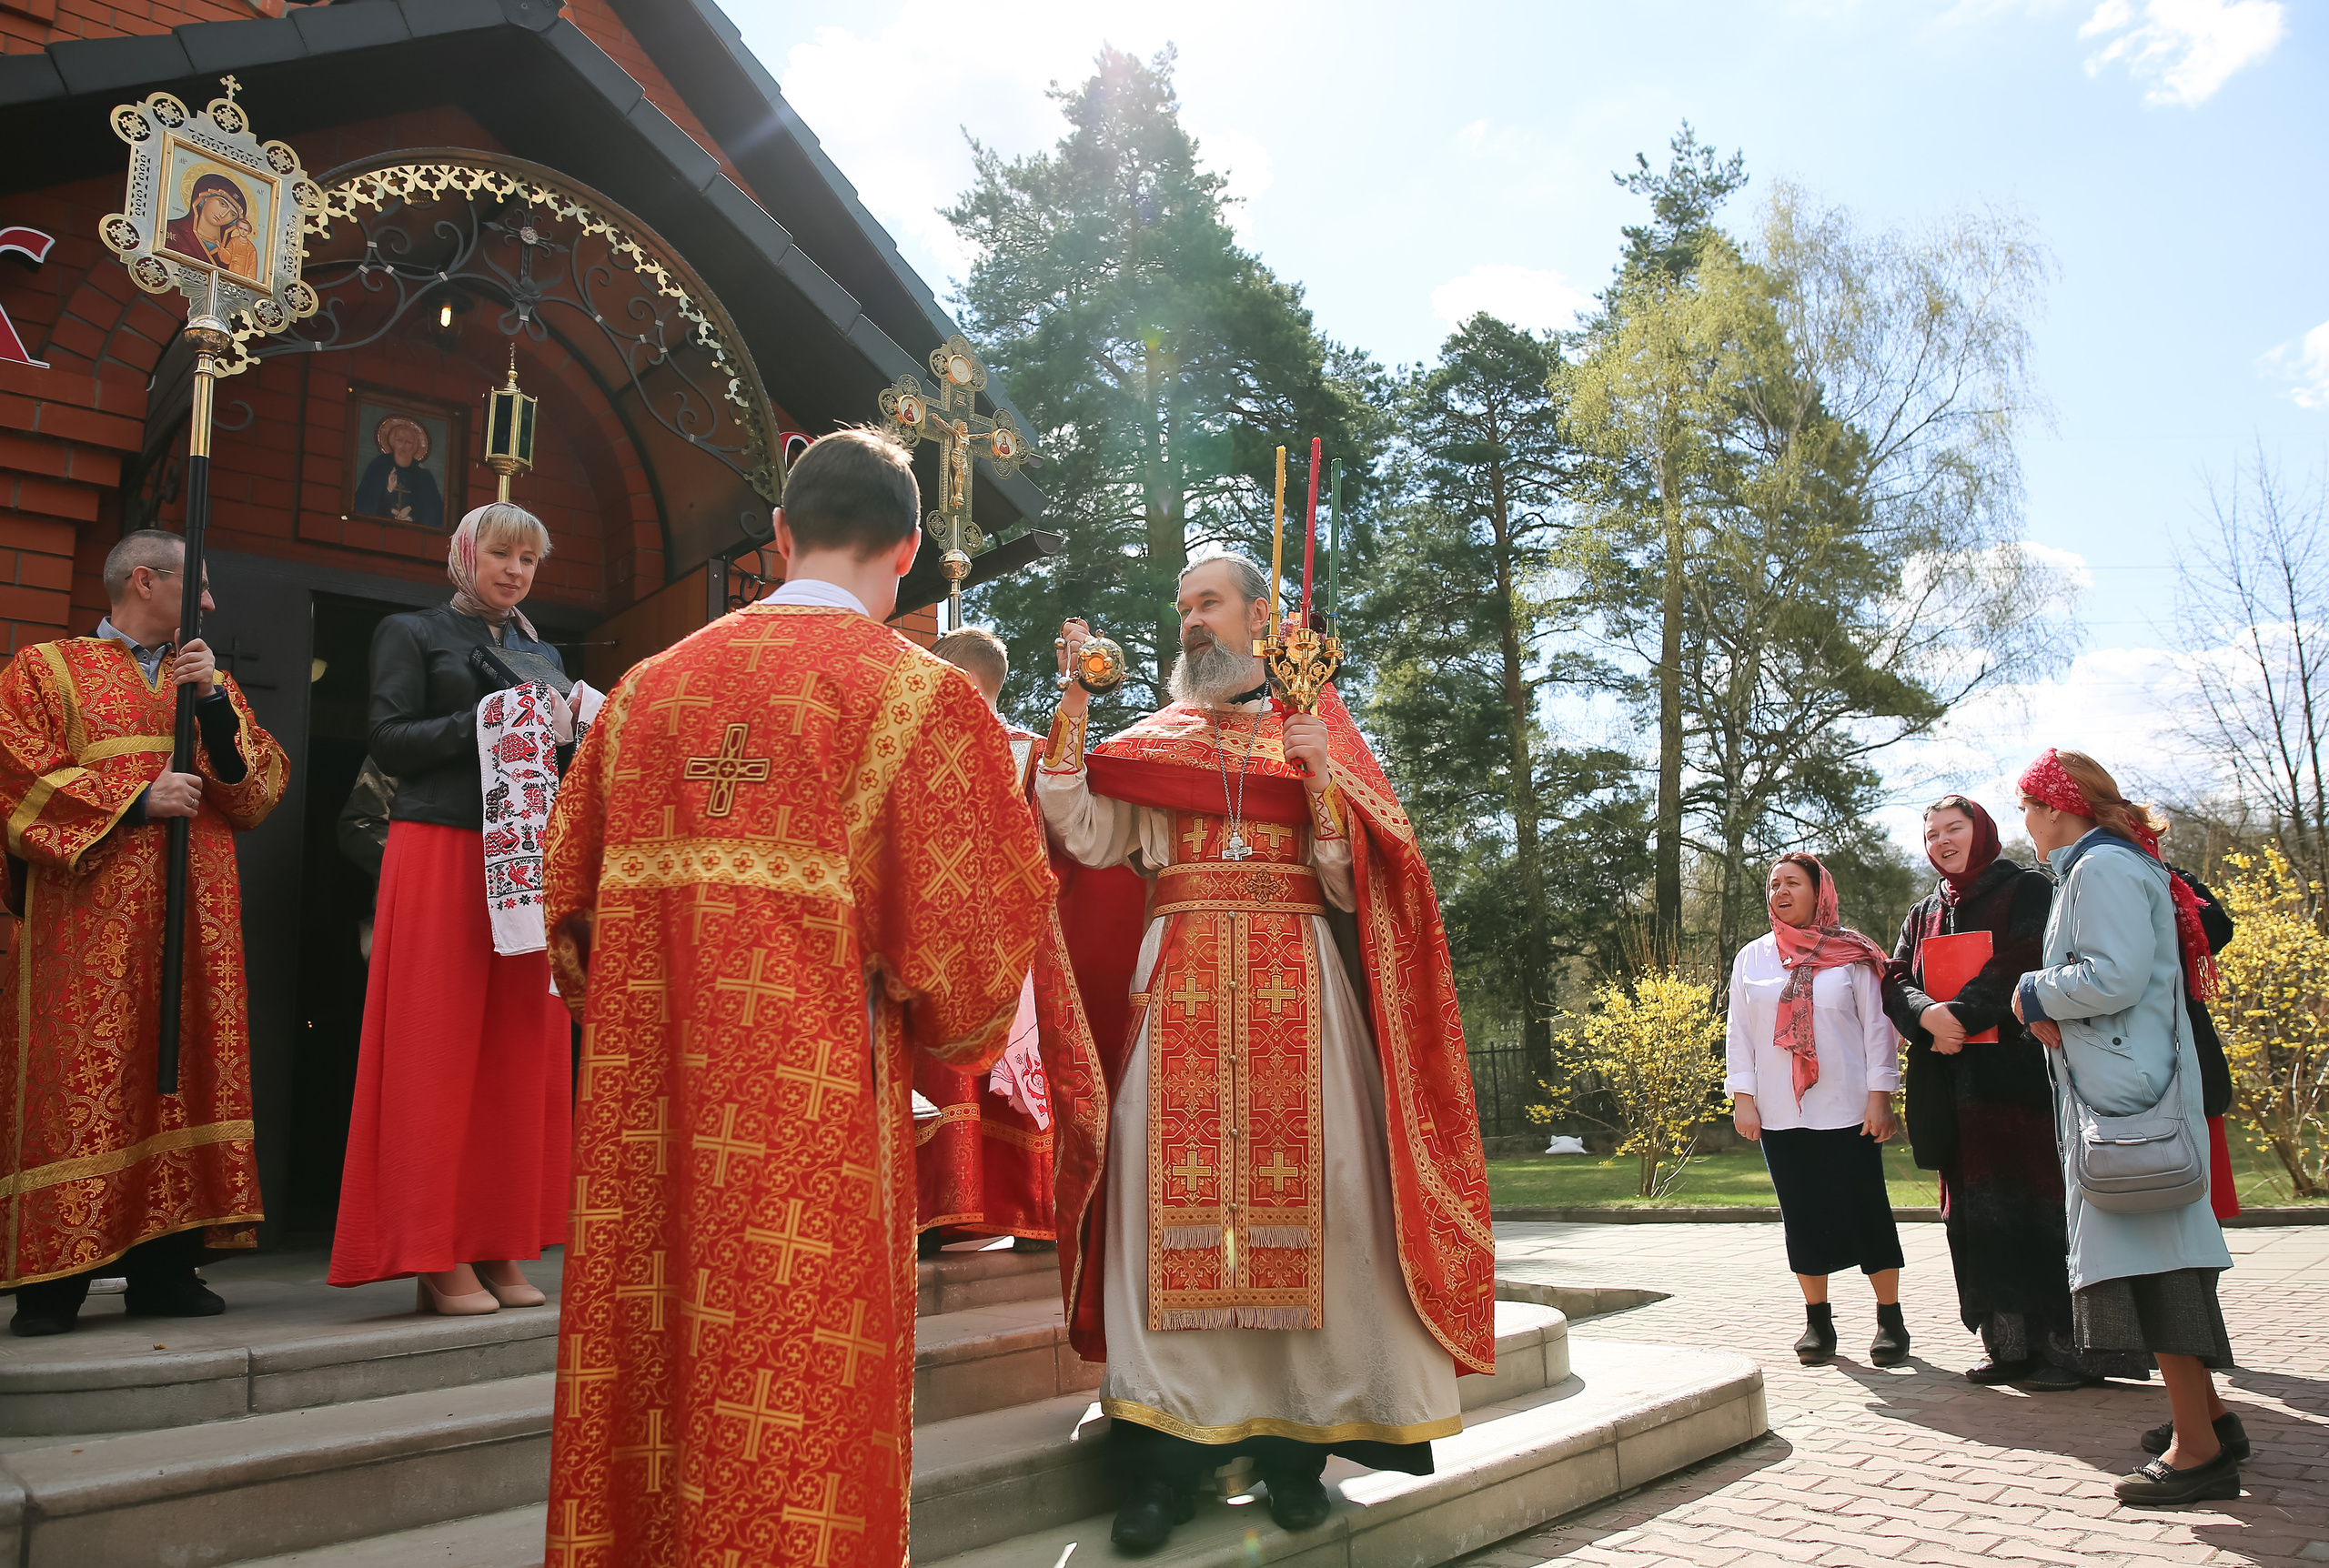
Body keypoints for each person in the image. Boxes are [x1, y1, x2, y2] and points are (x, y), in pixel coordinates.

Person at [539, 427, 1054, 1568]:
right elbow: (972, 961)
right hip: (810, 1124)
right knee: (792, 1368)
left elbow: (567, 914)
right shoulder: (921, 699)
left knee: (652, 1363)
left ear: (779, 533)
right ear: (909, 551)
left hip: (647, 1118)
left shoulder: (644, 690)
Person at [1039, 555, 1494, 1554]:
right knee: (1161, 1223)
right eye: (1182, 607)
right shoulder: (1154, 742)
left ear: (1260, 616)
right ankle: (1162, 1469)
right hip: (1178, 999)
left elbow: (1360, 883)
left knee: (1324, 1213)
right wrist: (1073, 705)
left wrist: (1321, 778)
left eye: (1208, 603)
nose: (1191, 621)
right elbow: (1084, 831)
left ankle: (1295, 1459)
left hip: (1303, 999)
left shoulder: (1318, 732)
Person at [0, 529, 287, 1334]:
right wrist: (136, 801)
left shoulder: (210, 681)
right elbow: (14, 776)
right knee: (80, 1078)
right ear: (143, 581)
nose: (210, 605)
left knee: (183, 1069)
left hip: (196, 916)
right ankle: (55, 1281)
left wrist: (217, 709)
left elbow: (255, 795)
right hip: (85, 922)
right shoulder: (46, 669)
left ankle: (166, 1269)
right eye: (199, 586)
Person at [328, 504, 575, 1313]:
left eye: (528, 560)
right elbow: (389, 740)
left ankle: (498, 1242)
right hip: (438, 848)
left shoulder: (541, 653)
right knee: (435, 1047)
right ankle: (434, 1252)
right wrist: (489, 720)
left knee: (516, 1053)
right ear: (464, 555)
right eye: (501, 554)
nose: (515, 572)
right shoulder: (412, 632)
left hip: (521, 857)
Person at [2011, 749, 2242, 1506]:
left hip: (2127, 1096)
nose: (2025, 820)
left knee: (2154, 1264)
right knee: (2162, 1252)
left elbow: (2114, 976)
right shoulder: (2111, 862)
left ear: (2056, 807)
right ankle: (2208, 1418)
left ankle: (2198, 1452)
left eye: (2027, 805)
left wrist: (2031, 993)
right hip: (2134, 1083)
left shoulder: (2100, 868)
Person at [1884, 795, 2148, 1391]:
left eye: (1954, 829)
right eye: (1932, 834)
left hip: (2020, 1089)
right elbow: (1894, 978)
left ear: (1981, 831)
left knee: (2037, 1214)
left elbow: (2024, 961)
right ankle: (2007, 1348)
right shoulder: (1923, 911)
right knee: (1973, 1220)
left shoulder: (2026, 888)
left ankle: (2066, 1353)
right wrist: (1925, 1016)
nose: (1942, 842)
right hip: (1951, 1091)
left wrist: (1960, 1015)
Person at [1726, 852, 1906, 1369]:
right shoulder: (1752, 958)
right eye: (1773, 884)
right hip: (1780, 1112)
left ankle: (1890, 1319)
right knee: (1801, 1217)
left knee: (1866, 1211)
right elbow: (1739, 1032)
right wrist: (1743, 1097)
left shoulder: (1852, 954)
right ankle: (1818, 1321)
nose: (1780, 892)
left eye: (1792, 883)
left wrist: (1881, 1096)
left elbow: (1878, 1029)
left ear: (1818, 891)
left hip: (1848, 1109)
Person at [918, 626, 1056, 1256]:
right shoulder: (1037, 751)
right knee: (1009, 1065)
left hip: (936, 935)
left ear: (958, 678)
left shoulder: (921, 744)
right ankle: (1024, 1210)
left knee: (940, 1070)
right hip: (1013, 942)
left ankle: (936, 1210)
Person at [163, 171, 262, 279]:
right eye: (222, 203)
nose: (223, 215)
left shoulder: (233, 249)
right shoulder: (170, 230)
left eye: (232, 214)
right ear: (205, 197)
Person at [353, 417, 445, 531]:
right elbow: (365, 505)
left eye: (408, 442)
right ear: (392, 442)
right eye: (399, 440)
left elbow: (433, 513)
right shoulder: (378, 466)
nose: (403, 446)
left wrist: (411, 513)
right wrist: (388, 491)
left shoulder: (423, 475)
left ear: (414, 446)